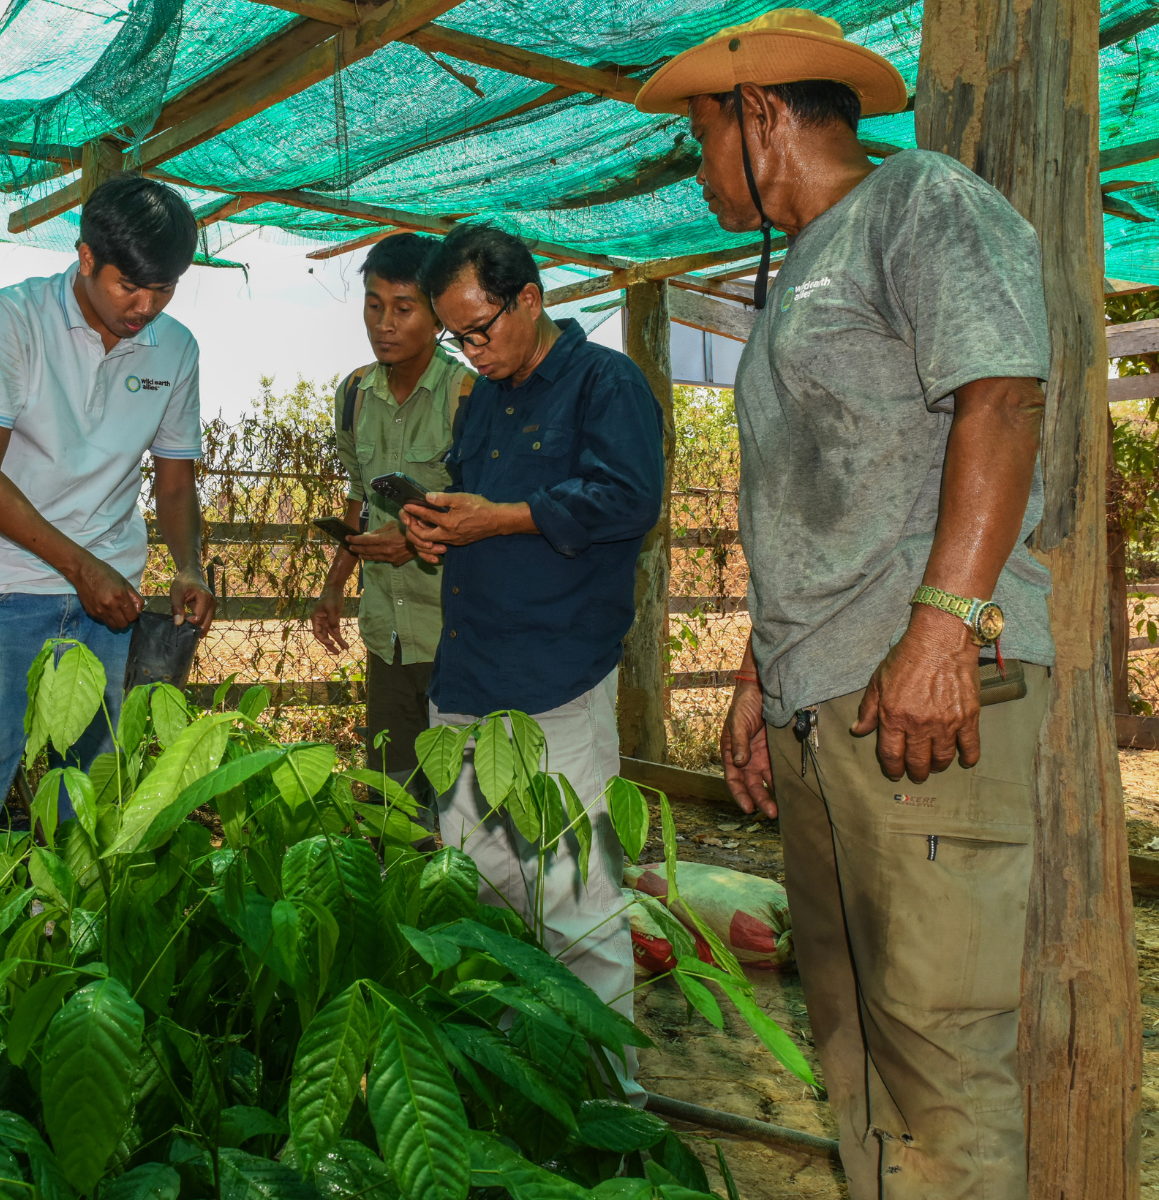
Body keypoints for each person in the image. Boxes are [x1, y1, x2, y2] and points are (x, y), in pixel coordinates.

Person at [636, 10, 1052, 1196]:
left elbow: (1003, 400)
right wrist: (757, 684)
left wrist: (944, 631)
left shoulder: (921, 200)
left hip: (925, 695)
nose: (697, 166)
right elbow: (817, 511)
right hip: (827, 705)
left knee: (936, 1052)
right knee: (856, 1051)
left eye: (698, 136)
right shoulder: (800, 271)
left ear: (760, 113)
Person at [398, 223, 665, 1094]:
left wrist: (500, 518)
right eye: (456, 337)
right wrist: (436, 532)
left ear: (529, 298)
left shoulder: (605, 382)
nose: (471, 352)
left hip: (556, 683)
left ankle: (605, 1111)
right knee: (483, 891)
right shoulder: (482, 400)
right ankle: (520, 1088)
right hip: (470, 680)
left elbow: (627, 499)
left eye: (482, 330)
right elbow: (476, 508)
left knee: (577, 904)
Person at [0, 174, 216, 816]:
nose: (145, 306)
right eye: (129, 285)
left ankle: (64, 920)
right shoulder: (12, 318)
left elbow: (175, 483)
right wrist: (81, 567)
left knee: (84, 811)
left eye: (164, 289)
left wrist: (188, 567)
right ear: (87, 258)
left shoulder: (175, 350)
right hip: (2, 589)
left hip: (107, 609)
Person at [310, 233, 475, 829]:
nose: (384, 323)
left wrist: (414, 544)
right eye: (373, 305)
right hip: (388, 635)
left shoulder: (467, 396)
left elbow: (492, 513)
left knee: (462, 808)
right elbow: (358, 496)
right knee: (391, 804)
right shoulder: (354, 395)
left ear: (437, 313)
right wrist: (335, 584)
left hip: (456, 633)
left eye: (403, 308)